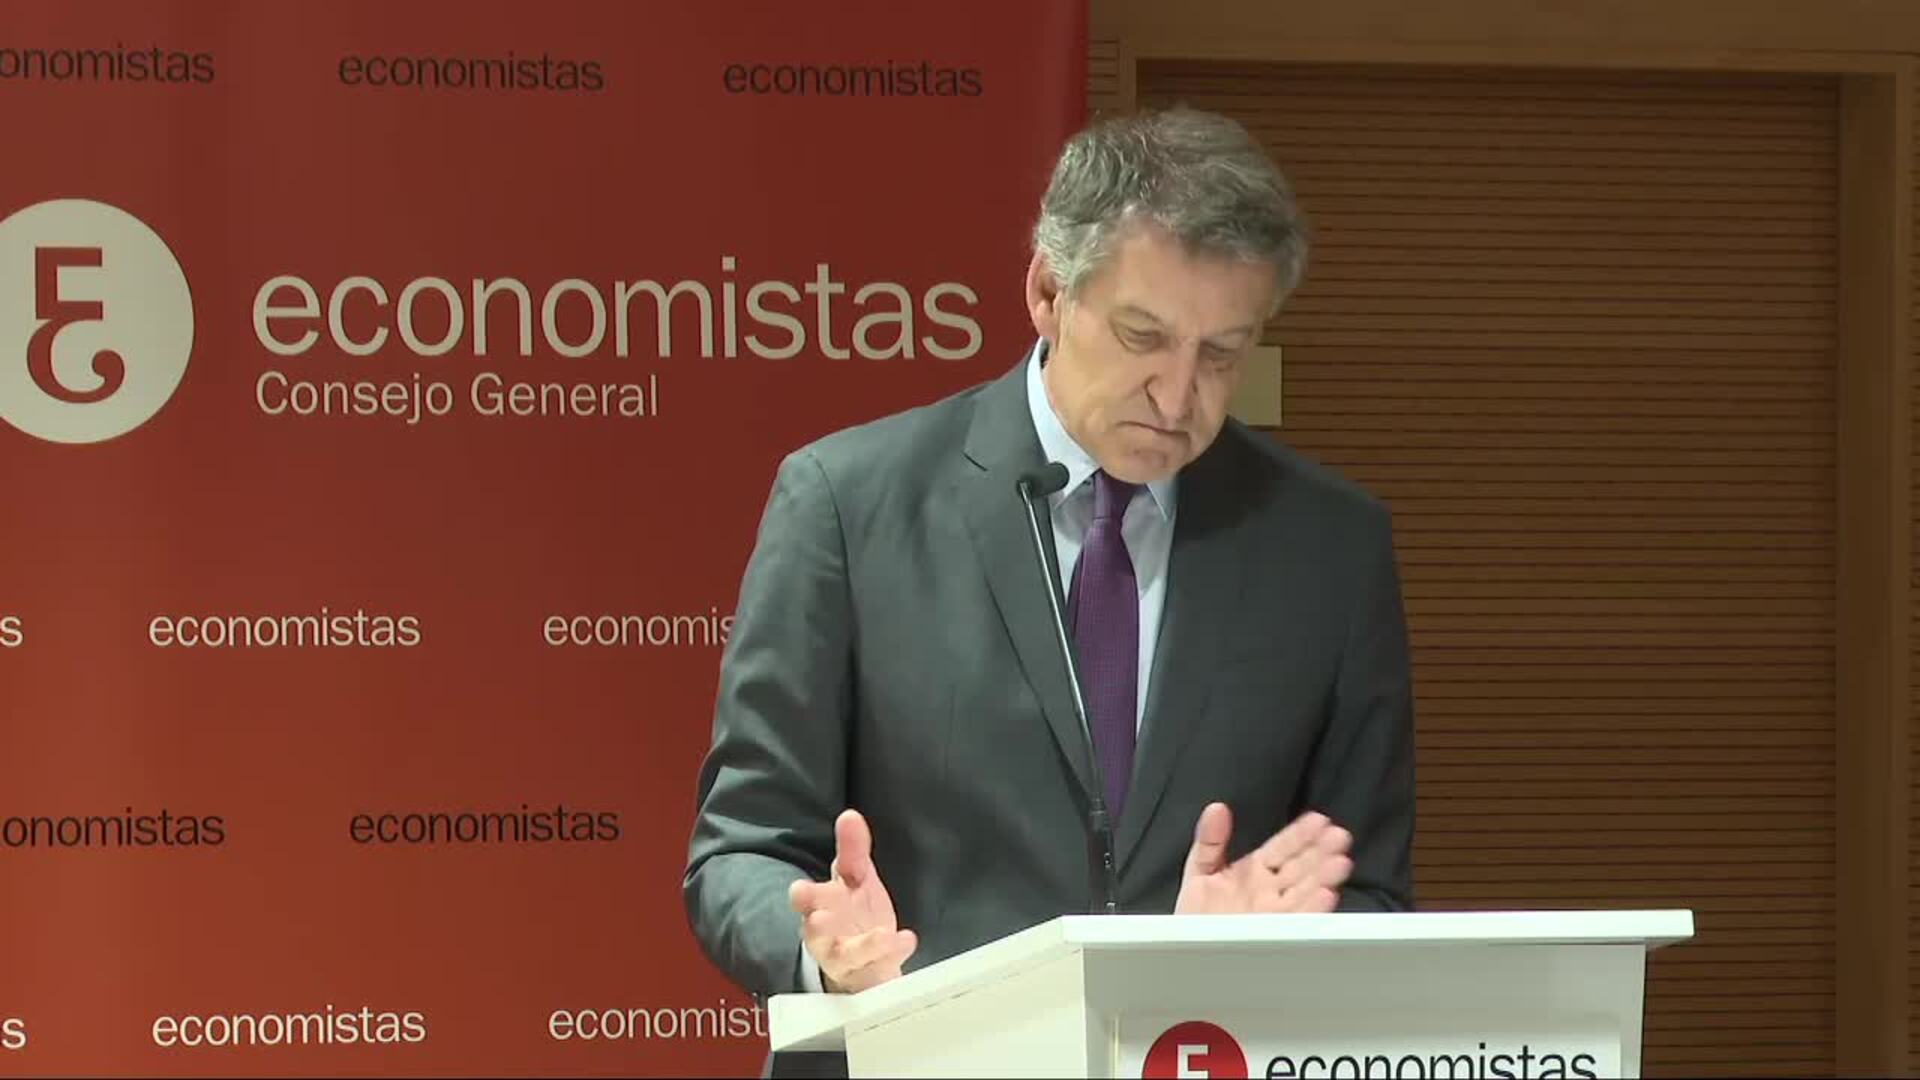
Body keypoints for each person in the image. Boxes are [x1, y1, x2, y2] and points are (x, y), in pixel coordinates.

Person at [684, 105, 1414, 1071]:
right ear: (1046, 293)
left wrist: (1249, 958)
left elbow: (1369, 888)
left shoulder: (1328, 548)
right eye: (1143, 336)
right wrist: (826, 956)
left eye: (1222, 354)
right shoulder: (847, 505)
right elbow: (741, 850)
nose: (1177, 396)